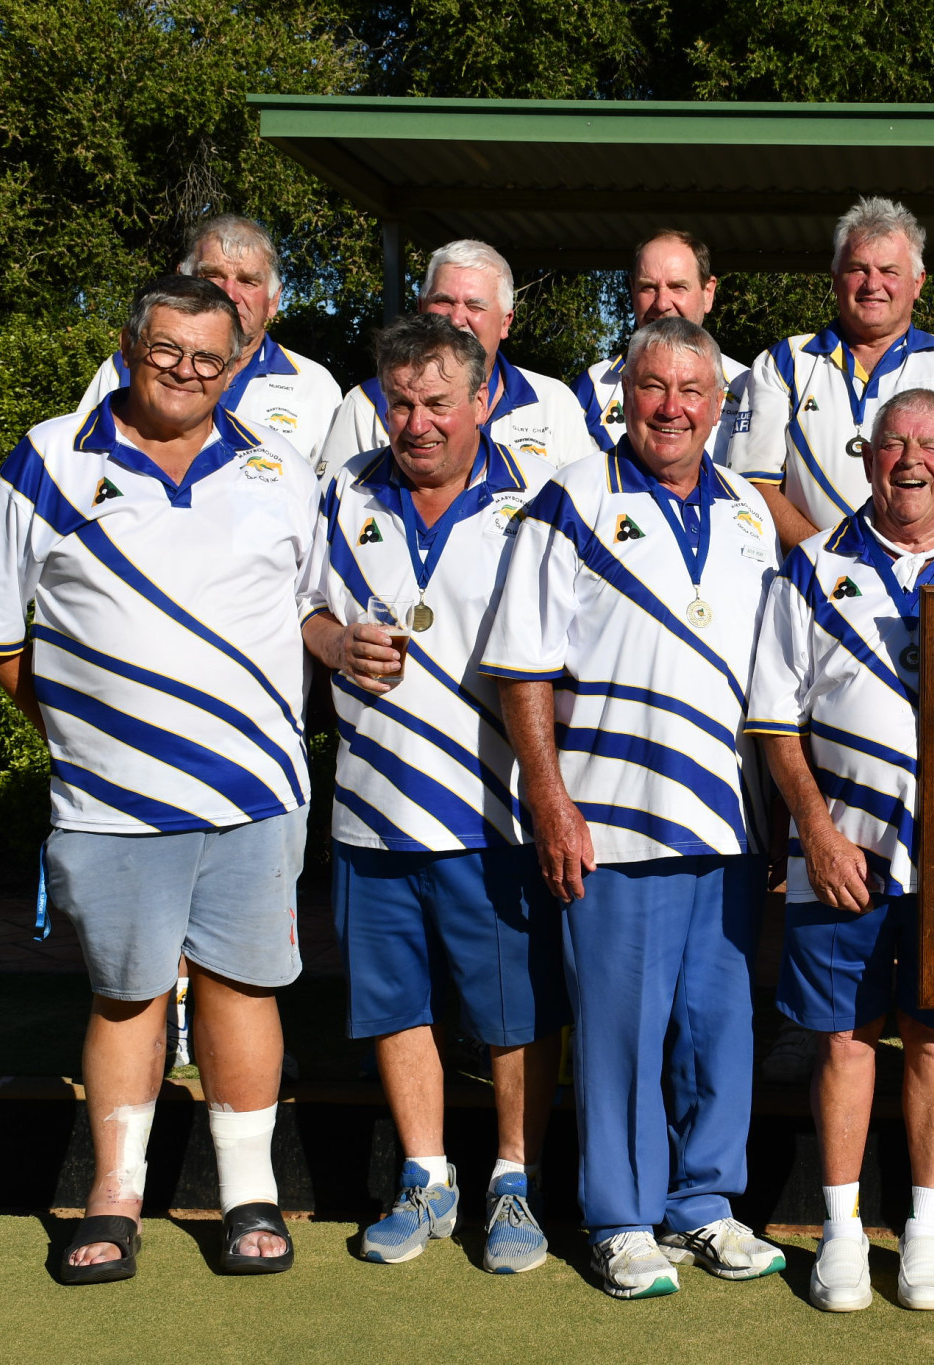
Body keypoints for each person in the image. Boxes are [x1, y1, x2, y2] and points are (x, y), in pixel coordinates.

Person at [0, 275, 317, 1283]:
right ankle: (114, 1196)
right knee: (128, 997)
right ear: (127, 344)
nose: (185, 375)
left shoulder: (280, 468)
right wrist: (76, 724)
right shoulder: (48, 457)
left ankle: (249, 1194)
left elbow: (307, 610)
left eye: (208, 359)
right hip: (110, 803)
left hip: (255, 792)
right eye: (166, 353)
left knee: (245, 988)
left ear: (236, 361)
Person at [482, 316, 785, 1300]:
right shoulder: (568, 498)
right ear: (625, 396)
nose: (672, 408)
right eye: (653, 387)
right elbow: (521, 668)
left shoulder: (747, 510)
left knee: (718, 1030)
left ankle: (703, 1207)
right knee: (615, 1037)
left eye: (692, 392)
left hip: (726, 827)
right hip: (609, 824)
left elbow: (772, 682)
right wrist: (549, 799)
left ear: (719, 405)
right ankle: (618, 1218)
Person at [746, 388, 934, 1313]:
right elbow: (776, 721)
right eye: (894, 443)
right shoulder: (812, 564)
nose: (911, 460)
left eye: (930, 445)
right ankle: (837, 1231)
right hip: (843, 855)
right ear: (868, 457)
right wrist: (817, 834)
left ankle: (927, 1232)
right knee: (845, 1043)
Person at [302, 313, 564, 1274]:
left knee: (513, 1014)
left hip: (492, 812)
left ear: (483, 399)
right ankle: (425, 1176)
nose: (416, 424)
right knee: (395, 1006)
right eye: (399, 403)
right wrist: (334, 643)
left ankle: (514, 1184)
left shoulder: (537, 503)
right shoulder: (340, 493)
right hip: (371, 810)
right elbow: (304, 606)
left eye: (437, 404)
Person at [730, 196, 934, 546]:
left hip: (927, 583)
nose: (872, 284)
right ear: (834, 278)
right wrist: (829, 560)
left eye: (889, 271)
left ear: (918, 282)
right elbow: (752, 490)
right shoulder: (783, 362)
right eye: (857, 269)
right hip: (812, 585)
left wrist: (901, 556)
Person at [317, 239, 599, 477]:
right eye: (444, 302)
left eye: (475, 305)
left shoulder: (554, 403)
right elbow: (332, 516)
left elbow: (582, 513)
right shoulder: (365, 404)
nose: (456, 319)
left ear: (505, 322)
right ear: (420, 308)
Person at [78, 215, 343, 465]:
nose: (229, 294)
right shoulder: (125, 367)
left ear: (273, 301)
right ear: (184, 281)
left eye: (248, 281)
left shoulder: (314, 386)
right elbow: (77, 465)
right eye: (212, 275)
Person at [575, 229, 749, 463]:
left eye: (678, 286)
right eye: (648, 287)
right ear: (632, 290)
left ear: (708, 293)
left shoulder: (749, 387)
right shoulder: (590, 388)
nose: (662, 303)